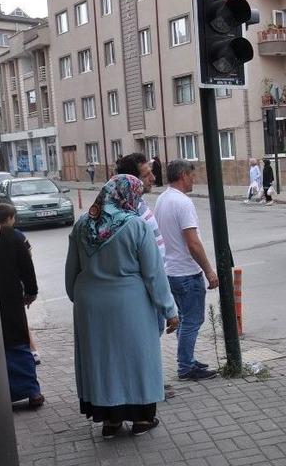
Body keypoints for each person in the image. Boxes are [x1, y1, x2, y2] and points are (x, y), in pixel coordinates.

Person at [66, 175, 179, 437]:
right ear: (129, 196)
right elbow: (154, 274)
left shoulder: (82, 224)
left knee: (101, 359)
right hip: (131, 305)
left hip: (89, 305)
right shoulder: (136, 226)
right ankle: (140, 419)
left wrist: (81, 299)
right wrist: (170, 310)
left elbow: (71, 273)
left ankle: (110, 421)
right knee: (136, 358)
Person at [115, 154, 174, 399]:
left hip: (152, 283)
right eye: (146, 174)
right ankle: (145, 388)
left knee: (151, 338)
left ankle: (150, 383)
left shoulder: (138, 204)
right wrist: (165, 301)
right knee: (144, 341)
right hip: (144, 287)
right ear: (132, 180)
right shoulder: (128, 211)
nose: (153, 177)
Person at [154, 160, 219, 381]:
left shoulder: (163, 199)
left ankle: (188, 359)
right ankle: (185, 366)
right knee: (193, 320)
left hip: (170, 270)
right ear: (183, 175)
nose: (194, 179)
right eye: (192, 175)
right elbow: (193, 243)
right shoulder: (183, 203)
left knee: (183, 318)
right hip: (186, 272)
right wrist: (209, 270)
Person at [0, 204, 43, 409]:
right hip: (10, 300)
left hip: (9, 300)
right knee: (17, 342)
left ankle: (27, 391)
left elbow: (27, 268)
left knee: (15, 342)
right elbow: (27, 268)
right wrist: (31, 293)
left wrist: (30, 292)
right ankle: (31, 392)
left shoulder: (14, 237)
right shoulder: (14, 237)